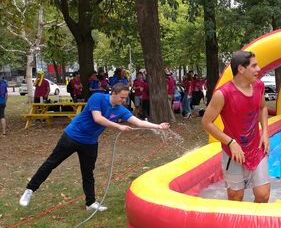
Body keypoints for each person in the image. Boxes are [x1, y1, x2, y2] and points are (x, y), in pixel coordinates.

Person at [18, 83, 170, 211]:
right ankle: (30, 190)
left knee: (88, 172)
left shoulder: (120, 110)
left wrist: (158, 126)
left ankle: (90, 203)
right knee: (51, 164)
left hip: (90, 143)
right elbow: (98, 118)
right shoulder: (97, 98)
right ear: (114, 93)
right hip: (71, 137)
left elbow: (137, 122)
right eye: (122, 97)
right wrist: (118, 127)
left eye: (125, 98)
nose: (124, 101)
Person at [201, 50, 270, 203]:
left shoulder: (259, 86)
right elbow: (206, 122)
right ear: (241, 69)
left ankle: (254, 225)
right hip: (233, 151)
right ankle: (239, 226)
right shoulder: (223, 94)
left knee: (263, 195)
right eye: (254, 66)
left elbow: (262, 107)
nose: (258, 69)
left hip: (256, 147)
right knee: (235, 197)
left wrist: (265, 132)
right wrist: (230, 142)